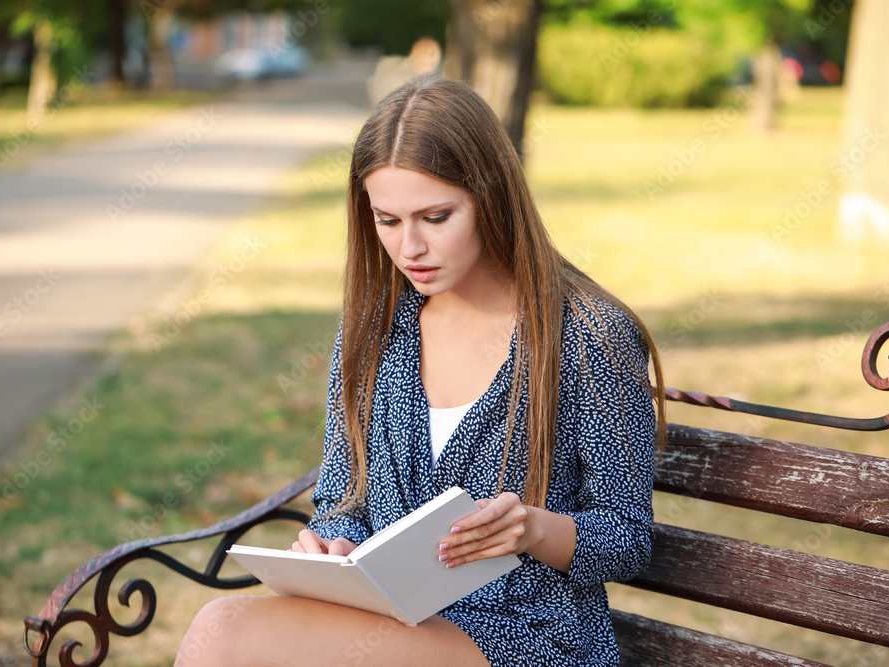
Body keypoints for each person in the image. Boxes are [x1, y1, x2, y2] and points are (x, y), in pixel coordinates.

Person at [175, 75, 666, 667]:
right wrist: (333, 543)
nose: (410, 248)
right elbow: (343, 495)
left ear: (493, 199)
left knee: (223, 634)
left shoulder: (588, 334)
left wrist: (532, 530)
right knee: (221, 630)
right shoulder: (376, 329)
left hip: (527, 638)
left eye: (436, 217)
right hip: (393, 623)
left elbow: (629, 538)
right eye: (387, 220)